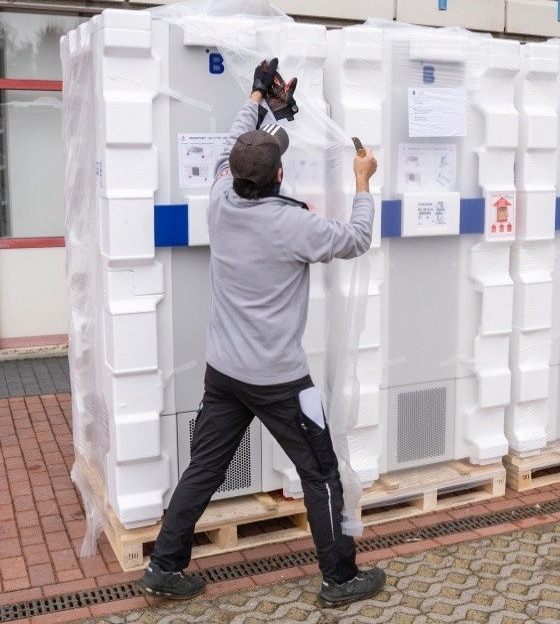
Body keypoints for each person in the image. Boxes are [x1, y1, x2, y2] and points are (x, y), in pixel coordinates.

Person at [137, 59, 385, 606]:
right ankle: (340, 579)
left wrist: (258, 100)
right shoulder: (294, 224)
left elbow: (234, 144)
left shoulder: (219, 199)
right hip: (279, 381)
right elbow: (356, 238)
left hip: (224, 372)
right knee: (320, 471)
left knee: (204, 468)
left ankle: (164, 566)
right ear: (278, 176)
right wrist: (363, 182)